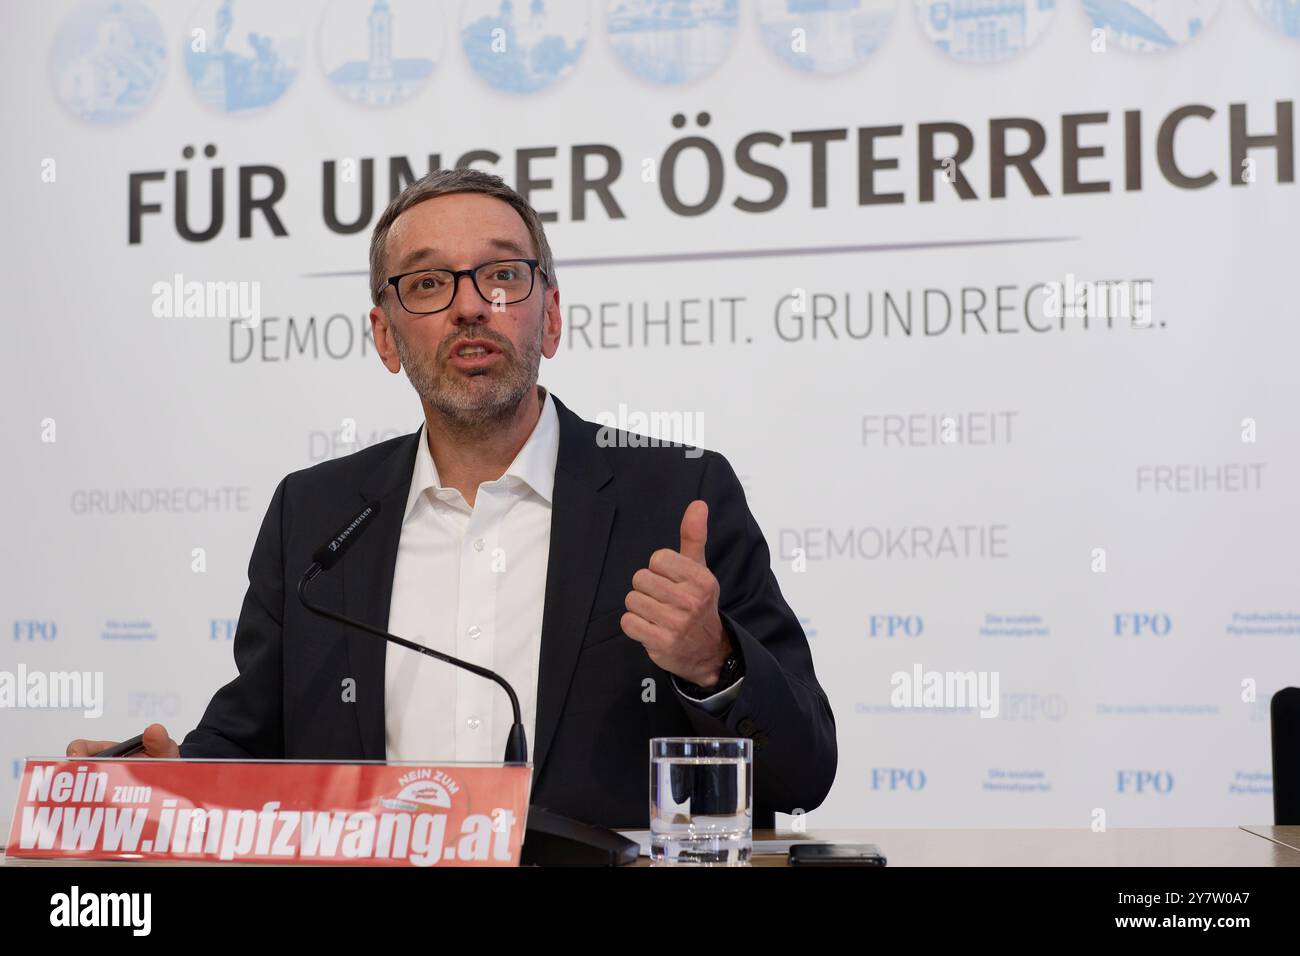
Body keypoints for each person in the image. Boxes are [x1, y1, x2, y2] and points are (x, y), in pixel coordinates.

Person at [68, 168, 837, 829]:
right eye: (429, 284)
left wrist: (713, 664)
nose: (471, 306)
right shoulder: (317, 514)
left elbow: (804, 775)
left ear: (553, 314)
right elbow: (249, 745)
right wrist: (169, 785)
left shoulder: (677, 496)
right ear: (384, 336)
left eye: (502, 275)